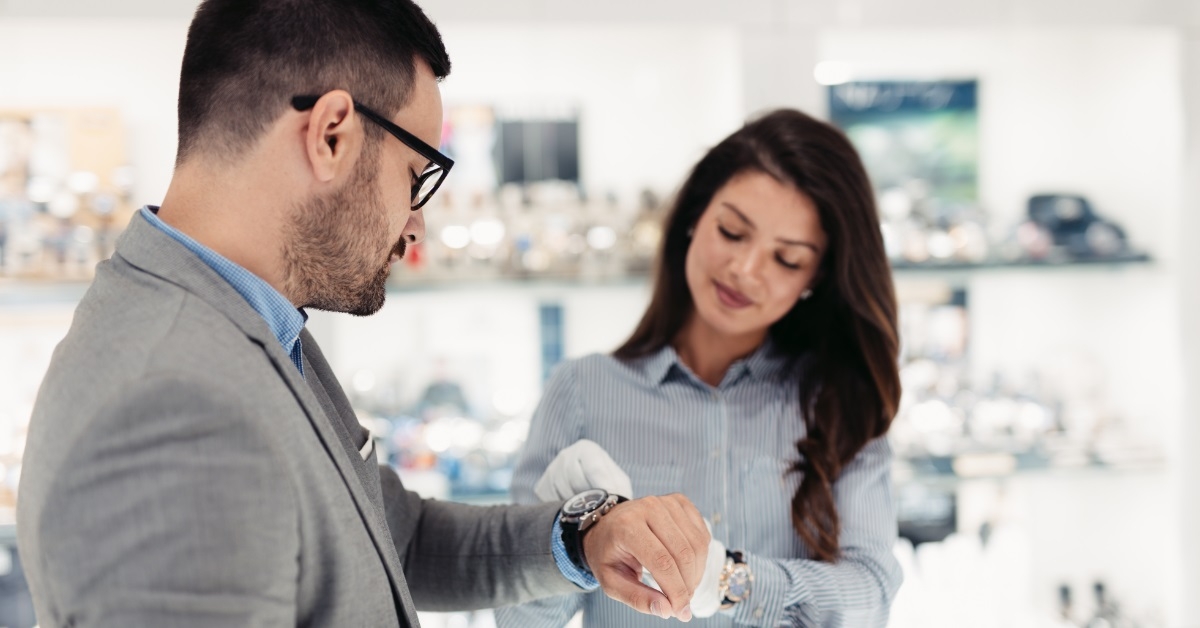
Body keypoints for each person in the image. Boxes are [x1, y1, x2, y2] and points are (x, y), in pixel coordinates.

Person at [14, 1, 711, 626]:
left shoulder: (243, 320)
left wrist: (583, 536)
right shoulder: (173, 407)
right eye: (415, 179)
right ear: (332, 135)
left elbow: (389, 536)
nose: (415, 226)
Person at [496, 109, 904, 628]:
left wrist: (728, 579)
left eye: (787, 259)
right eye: (733, 232)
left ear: (816, 277)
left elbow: (871, 596)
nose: (746, 270)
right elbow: (517, 620)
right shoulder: (582, 391)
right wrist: (565, 544)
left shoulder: (839, 400)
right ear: (694, 216)